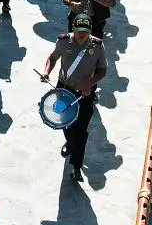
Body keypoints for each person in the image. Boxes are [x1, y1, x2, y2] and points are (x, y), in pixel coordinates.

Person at [40, 14, 108, 182]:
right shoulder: (63, 42)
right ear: (73, 30)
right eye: (78, 31)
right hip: (64, 88)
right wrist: (46, 71)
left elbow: (102, 70)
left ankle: (76, 167)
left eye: (85, 32)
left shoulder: (98, 46)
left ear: (90, 32)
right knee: (64, 122)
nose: (81, 35)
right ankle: (70, 142)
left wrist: (90, 84)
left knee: (81, 130)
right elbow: (53, 58)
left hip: (85, 92)